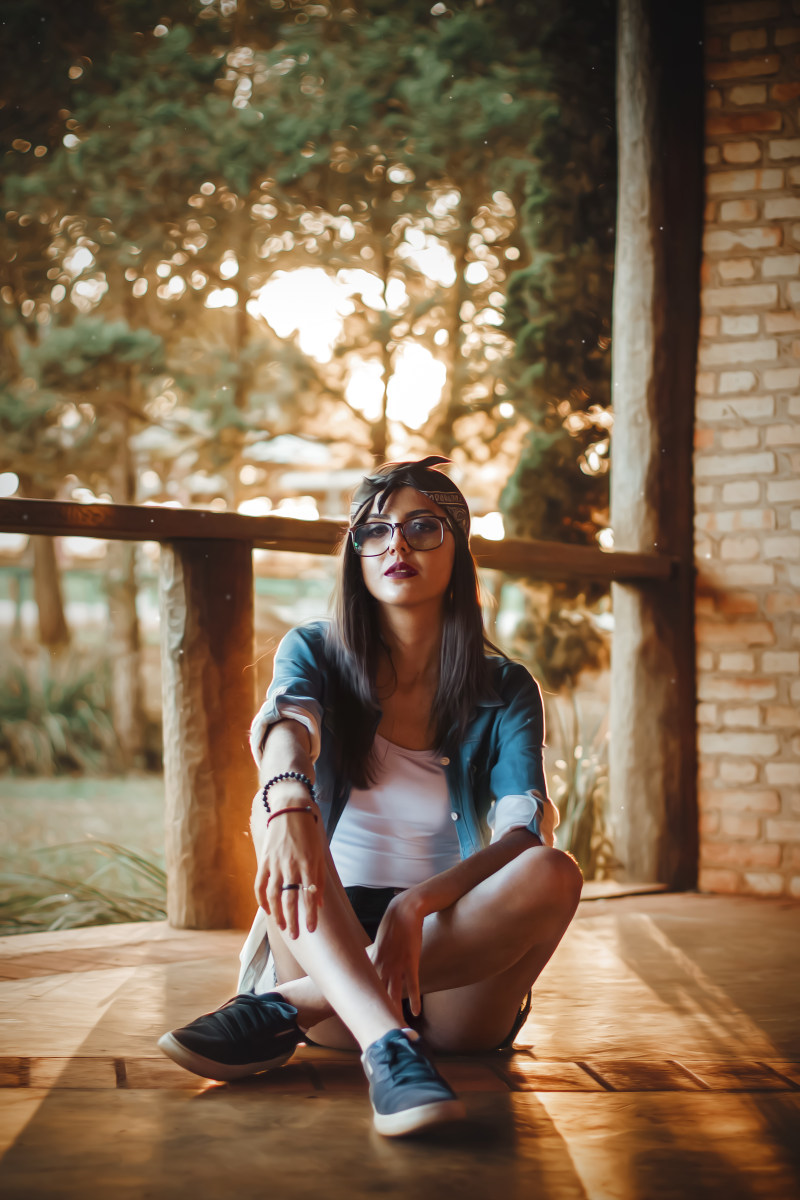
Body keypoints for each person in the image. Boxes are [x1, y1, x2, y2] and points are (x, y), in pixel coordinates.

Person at [158, 456, 582, 1137]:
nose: (398, 545)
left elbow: (522, 834)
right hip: (331, 932)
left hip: (454, 962)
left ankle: (286, 1006)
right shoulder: (315, 651)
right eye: (375, 530)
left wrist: (419, 905)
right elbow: (287, 729)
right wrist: (291, 799)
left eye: (423, 527)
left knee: (554, 871)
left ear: (459, 551)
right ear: (356, 555)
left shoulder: (506, 687)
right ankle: (388, 1049)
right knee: (275, 804)